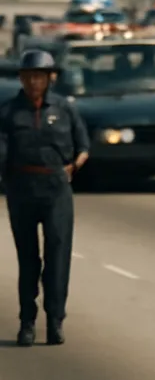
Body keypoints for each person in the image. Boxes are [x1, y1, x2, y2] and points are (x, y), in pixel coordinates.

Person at [0, 49, 89, 346]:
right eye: (28, 76)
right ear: (21, 79)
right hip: (22, 188)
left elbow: (83, 146)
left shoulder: (65, 108)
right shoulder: (9, 111)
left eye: (39, 76)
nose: (33, 82)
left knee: (58, 256)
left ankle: (55, 320)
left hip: (56, 190)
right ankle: (27, 321)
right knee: (28, 260)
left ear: (50, 78)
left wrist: (73, 167)